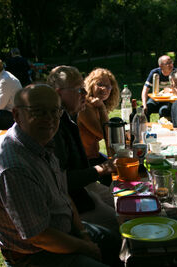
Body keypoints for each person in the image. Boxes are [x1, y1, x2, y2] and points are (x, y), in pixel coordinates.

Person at [0, 84, 121, 267]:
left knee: (119, 243)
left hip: (65, 232)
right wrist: (86, 247)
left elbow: (63, 194)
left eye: (55, 111)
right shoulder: (15, 169)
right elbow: (39, 237)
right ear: (16, 114)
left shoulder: (41, 142)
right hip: (35, 254)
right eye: (39, 112)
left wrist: (82, 233)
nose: (49, 119)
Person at [46, 66, 119, 232]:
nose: (84, 94)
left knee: (126, 203)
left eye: (84, 89)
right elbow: (62, 182)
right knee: (121, 221)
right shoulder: (53, 128)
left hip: (85, 187)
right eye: (79, 90)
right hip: (73, 200)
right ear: (59, 93)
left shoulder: (67, 117)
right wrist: (102, 169)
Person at [77, 68, 120, 167]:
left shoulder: (94, 105)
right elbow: (104, 134)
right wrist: (102, 107)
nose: (104, 89)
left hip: (93, 156)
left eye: (108, 86)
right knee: (120, 170)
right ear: (91, 85)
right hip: (84, 161)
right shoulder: (85, 106)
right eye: (100, 84)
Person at [141, 55, 175, 121]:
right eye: (167, 63)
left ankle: (163, 128)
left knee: (163, 111)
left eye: (171, 62)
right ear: (161, 66)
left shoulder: (175, 73)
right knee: (144, 110)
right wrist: (144, 104)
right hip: (156, 99)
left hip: (169, 100)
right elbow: (145, 89)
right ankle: (146, 128)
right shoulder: (155, 73)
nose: (170, 65)